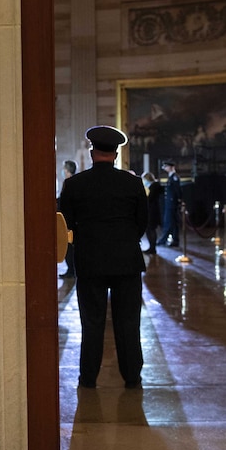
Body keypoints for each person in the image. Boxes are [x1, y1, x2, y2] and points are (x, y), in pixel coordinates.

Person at [58, 126, 147, 389]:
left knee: (92, 322)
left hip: (90, 262)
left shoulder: (74, 184)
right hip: (126, 262)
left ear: (91, 152)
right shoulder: (133, 183)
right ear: (116, 154)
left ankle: (88, 378)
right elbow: (142, 222)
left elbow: (66, 224)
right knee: (129, 322)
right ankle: (132, 377)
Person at [58, 160, 77, 278]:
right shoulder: (73, 182)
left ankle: (71, 269)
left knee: (69, 247)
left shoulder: (69, 183)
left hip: (68, 220)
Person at [157, 160, 182, 247]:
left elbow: (177, 190)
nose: (165, 168)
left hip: (172, 202)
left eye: (166, 166)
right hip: (170, 202)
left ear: (171, 167)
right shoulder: (171, 177)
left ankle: (164, 240)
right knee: (173, 222)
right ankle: (175, 240)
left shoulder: (174, 177)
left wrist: (178, 200)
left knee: (168, 221)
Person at [141, 172, 163, 255]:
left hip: (152, 212)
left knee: (151, 229)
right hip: (152, 211)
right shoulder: (154, 186)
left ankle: (152, 248)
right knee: (149, 229)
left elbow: (150, 199)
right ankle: (151, 247)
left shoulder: (153, 187)